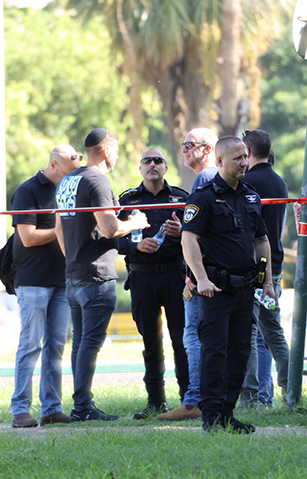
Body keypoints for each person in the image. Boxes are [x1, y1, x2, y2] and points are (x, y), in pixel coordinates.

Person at [181, 136, 275, 433]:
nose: (244, 163)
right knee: (215, 352)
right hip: (216, 289)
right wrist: (202, 277)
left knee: (240, 352)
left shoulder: (250, 196)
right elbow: (189, 239)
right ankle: (211, 417)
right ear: (219, 161)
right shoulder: (204, 197)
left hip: (245, 289)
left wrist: (268, 281)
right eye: (237, 158)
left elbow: (262, 240)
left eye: (245, 157)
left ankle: (227, 414)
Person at [55, 128, 150, 421]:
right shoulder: (97, 181)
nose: (118, 156)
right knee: (90, 343)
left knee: (81, 342)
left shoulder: (68, 180)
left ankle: (81, 405)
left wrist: (71, 257)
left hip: (74, 273)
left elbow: (59, 228)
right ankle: (83, 407)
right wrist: (136, 222)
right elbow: (109, 228)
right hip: (96, 275)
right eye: (117, 150)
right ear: (106, 151)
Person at [10, 145, 82, 428]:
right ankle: (20, 409)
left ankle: (52, 407)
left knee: (55, 347)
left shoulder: (69, 189)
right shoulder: (27, 191)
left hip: (62, 280)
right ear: (54, 165)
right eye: (68, 169)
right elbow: (27, 237)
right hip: (33, 282)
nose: (72, 175)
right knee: (30, 345)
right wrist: (60, 230)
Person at [117, 147, 189, 419]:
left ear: (165, 168)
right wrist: (136, 246)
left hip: (175, 276)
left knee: (181, 340)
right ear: (140, 168)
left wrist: (181, 232)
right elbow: (113, 238)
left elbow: (200, 235)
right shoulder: (128, 200)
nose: (152, 165)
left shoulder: (181, 198)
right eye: (147, 161)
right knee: (151, 341)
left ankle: (188, 399)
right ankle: (155, 401)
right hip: (142, 277)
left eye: (158, 160)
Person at [158, 127, 219, 421]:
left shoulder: (205, 178)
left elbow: (203, 233)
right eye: (182, 144)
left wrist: (195, 274)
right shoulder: (209, 178)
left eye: (189, 144)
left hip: (202, 273)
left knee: (193, 335)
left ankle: (195, 398)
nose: (183, 149)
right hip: (205, 271)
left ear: (207, 148)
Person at [239, 131, 290, 408]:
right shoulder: (279, 182)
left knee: (247, 334)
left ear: (247, 151)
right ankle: (290, 391)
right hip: (276, 267)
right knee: (274, 334)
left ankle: (251, 397)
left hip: (253, 269)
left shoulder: (247, 183)